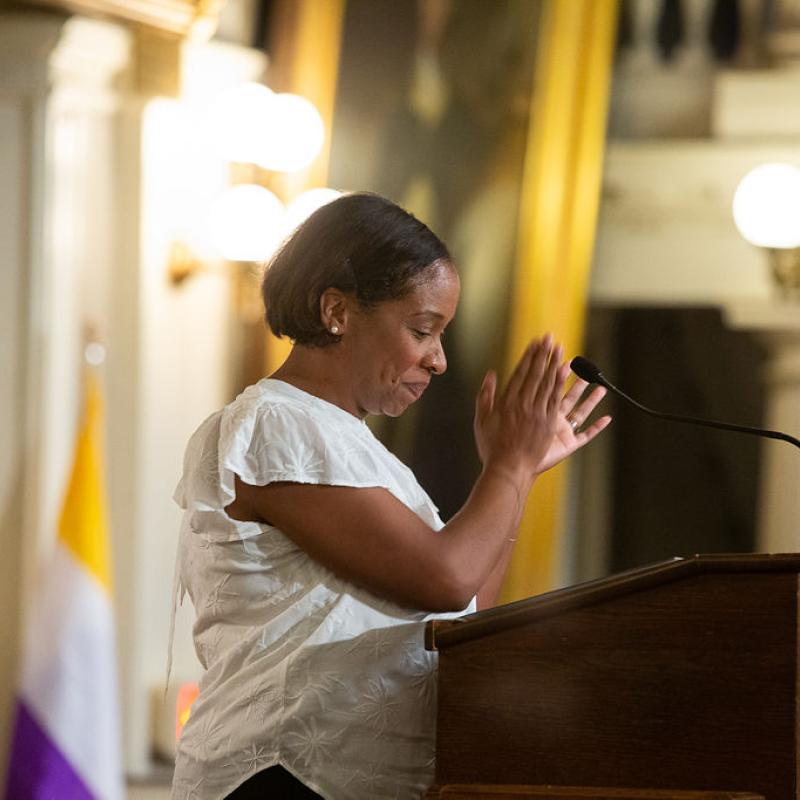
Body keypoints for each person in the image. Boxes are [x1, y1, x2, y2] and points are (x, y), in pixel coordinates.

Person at [170, 193, 610, 800]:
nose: (440, 359)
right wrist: (507, 467)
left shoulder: (350, 444)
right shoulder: (275, 424)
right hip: (283, 776)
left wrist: (520, 473)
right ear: (337, 311)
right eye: (422, 329)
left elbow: (464, 609)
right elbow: (445, 580)